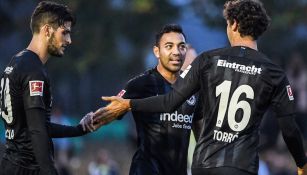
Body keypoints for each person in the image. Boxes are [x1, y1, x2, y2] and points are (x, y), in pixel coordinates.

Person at [94, 0, 307, 175]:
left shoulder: (208, 60)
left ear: (233, 24)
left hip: (204, 166)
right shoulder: (274, 73)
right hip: (242, 166)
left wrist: (130, 104)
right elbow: (289, 128)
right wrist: (301, 164)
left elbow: (170, 102)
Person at [0, 1, 95, 175]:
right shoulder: (33, 70)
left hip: (10, 165)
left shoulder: (17, 61)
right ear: (47, 30)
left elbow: (36, 126)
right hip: (27, 168)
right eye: (64, 33)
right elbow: (37, 131)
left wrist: (78, 129)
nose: (69, 40)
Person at [97, 24, 202, 175]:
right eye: (169, 46)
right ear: (157, 52)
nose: (176, 52)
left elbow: (201, 132)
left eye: (181, 47)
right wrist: (89, 122)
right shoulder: (140, 84)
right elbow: (108, 113)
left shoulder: (193, 89)